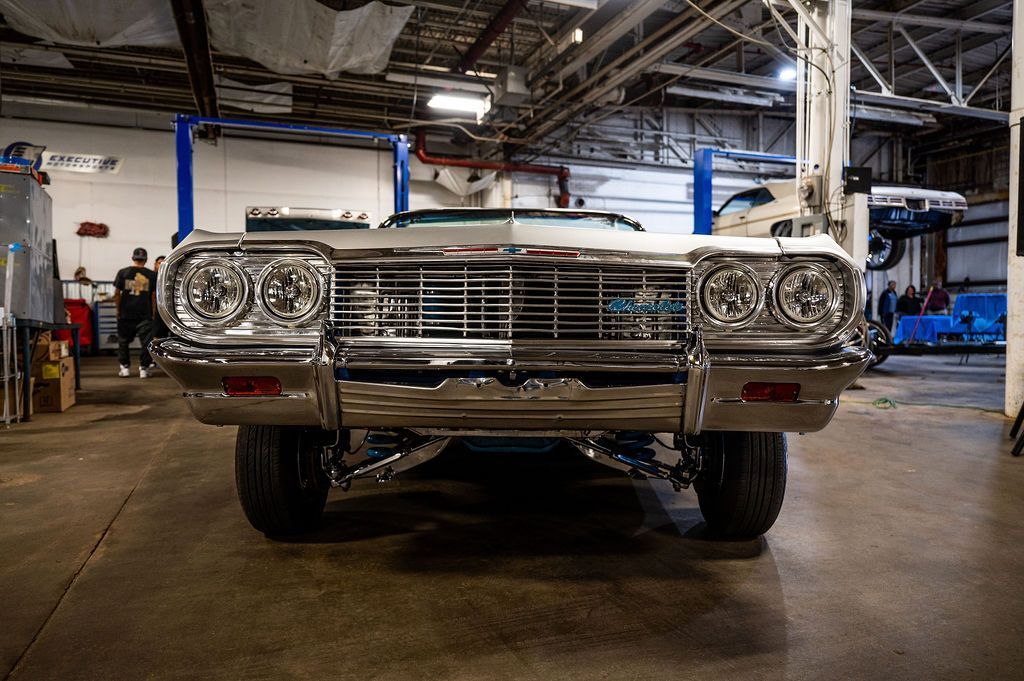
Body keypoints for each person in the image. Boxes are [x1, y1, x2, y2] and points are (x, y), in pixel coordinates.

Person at [113, 247, 158, 378]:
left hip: (126, 314)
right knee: (146, 342)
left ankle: (125, 368)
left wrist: (118, 310)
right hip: (145, 314)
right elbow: (154, 296)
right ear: (146, 260)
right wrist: (153, 313)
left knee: (123, 341)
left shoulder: (123, 273)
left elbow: (117, 294)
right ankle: (144, 369)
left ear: (133, 258)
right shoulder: (152, 275)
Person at [151, 256, 169, 341]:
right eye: (159, 263)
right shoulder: (152, 276)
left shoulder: (170, 277)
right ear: (155, 264)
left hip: (168, 311)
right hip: (157, 312)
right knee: (157, 337)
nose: (161, 265)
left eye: (163, 263)